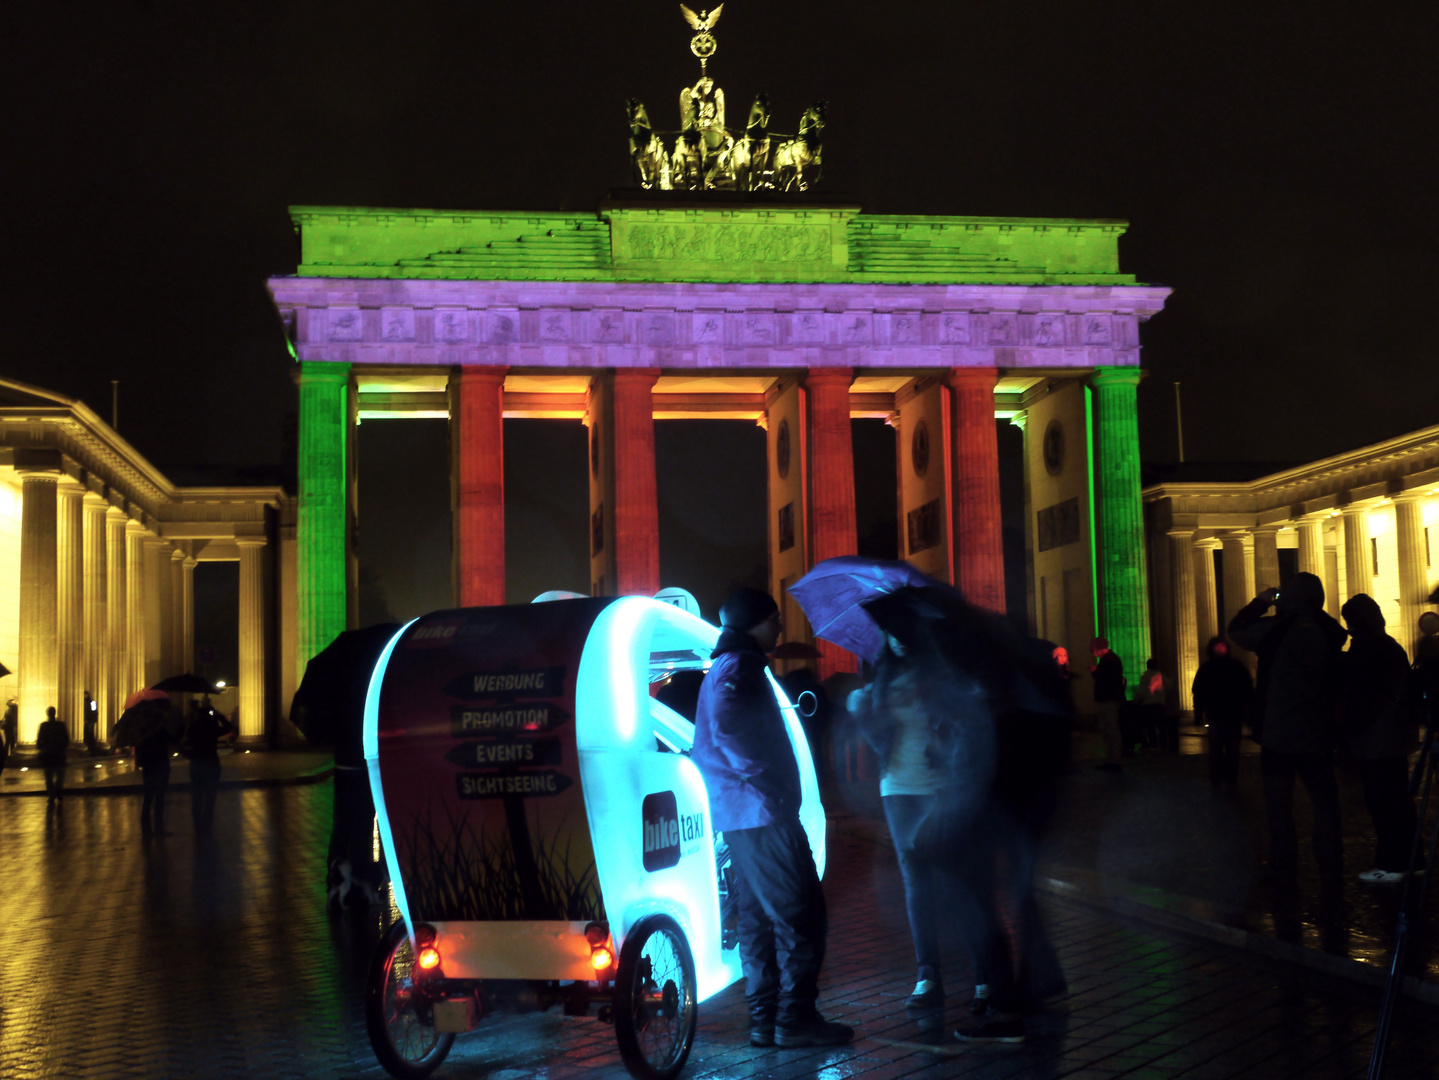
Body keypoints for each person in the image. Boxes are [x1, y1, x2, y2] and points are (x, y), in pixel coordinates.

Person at [692, 587, 852, 1049]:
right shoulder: (738, 666)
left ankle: (765, 1020)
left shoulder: (730, 664)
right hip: (761, 811)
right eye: (774, 618)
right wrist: (768, 784)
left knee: (759, 919)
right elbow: (728, 729)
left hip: (745, 813)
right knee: (800, 914)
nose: (780, 626)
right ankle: (794, 1019)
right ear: (754, 623)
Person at [1229, 573, 1348, 892]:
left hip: (1278, 733)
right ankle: (1331, 866)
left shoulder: (1274, 631)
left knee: (1279, 808)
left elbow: (1237, 630)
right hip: (1318, 733)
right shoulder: (1330, 632)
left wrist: (1263, 601)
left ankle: (1284, 868)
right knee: (1325, 806)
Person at [1339, 594, 1421, 884]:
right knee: (1394, 799)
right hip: (1391, 734)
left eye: (1349, 621)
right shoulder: (1388, 647)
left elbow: (1363, 696)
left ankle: (1395, 860)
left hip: (1376, 736)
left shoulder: (1367, 650)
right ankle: (1405, 857)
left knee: (1384, 800)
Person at [1191, 637, 1253, 788]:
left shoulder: (1207, 668)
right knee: (1230, 748)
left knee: (1219, 748)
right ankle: (1228, 777)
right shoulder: (1236, 667)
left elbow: (1198, 692)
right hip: (1230, 714)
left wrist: (1199, 714)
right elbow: (1248, 690)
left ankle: (1219, 775)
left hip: (1220, 715)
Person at [183, 699, 235, 834]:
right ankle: (208, 821)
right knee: (211, 795)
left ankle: (197, 824)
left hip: (197, 762)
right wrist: (219, 716)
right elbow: (228, 727)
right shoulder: (211, 726)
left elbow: (184, 740)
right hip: (211, 762)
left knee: (197, 795)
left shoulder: (193, 726)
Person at [1089, 638, 1125, 770]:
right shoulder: (1111, 659)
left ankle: (1114, 761)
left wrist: (1096, 671)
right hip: (1109, 699)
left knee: (1111, 730)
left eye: (1093, 650)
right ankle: (1112, 760)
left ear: (1097, 648)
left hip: (1108, 699)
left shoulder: (1110, 660)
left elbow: (1107, 679)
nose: (1093, 653)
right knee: (1109, 730)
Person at [1132, 658, 1174, 752]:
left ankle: (1153, 743)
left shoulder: (1146, 676)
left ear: (1147, 665)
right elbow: (1169, 685)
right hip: (1159, 703)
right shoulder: (1160, 675)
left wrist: (1137, 699)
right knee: (1161, 725)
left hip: (1149, 704)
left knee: (1151, 725)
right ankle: (1164, 744)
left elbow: (1142, 691)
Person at [37, 705, 68, 806]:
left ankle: (51, 795)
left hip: (48, 755)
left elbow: (39, 740)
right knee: (59, 776)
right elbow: (66, 739)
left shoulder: (44, 725)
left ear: (48, 714)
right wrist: (62, 748)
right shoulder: (61, 725)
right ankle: (57, 791)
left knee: (49, 777)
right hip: (58, 754)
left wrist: (42, 748)